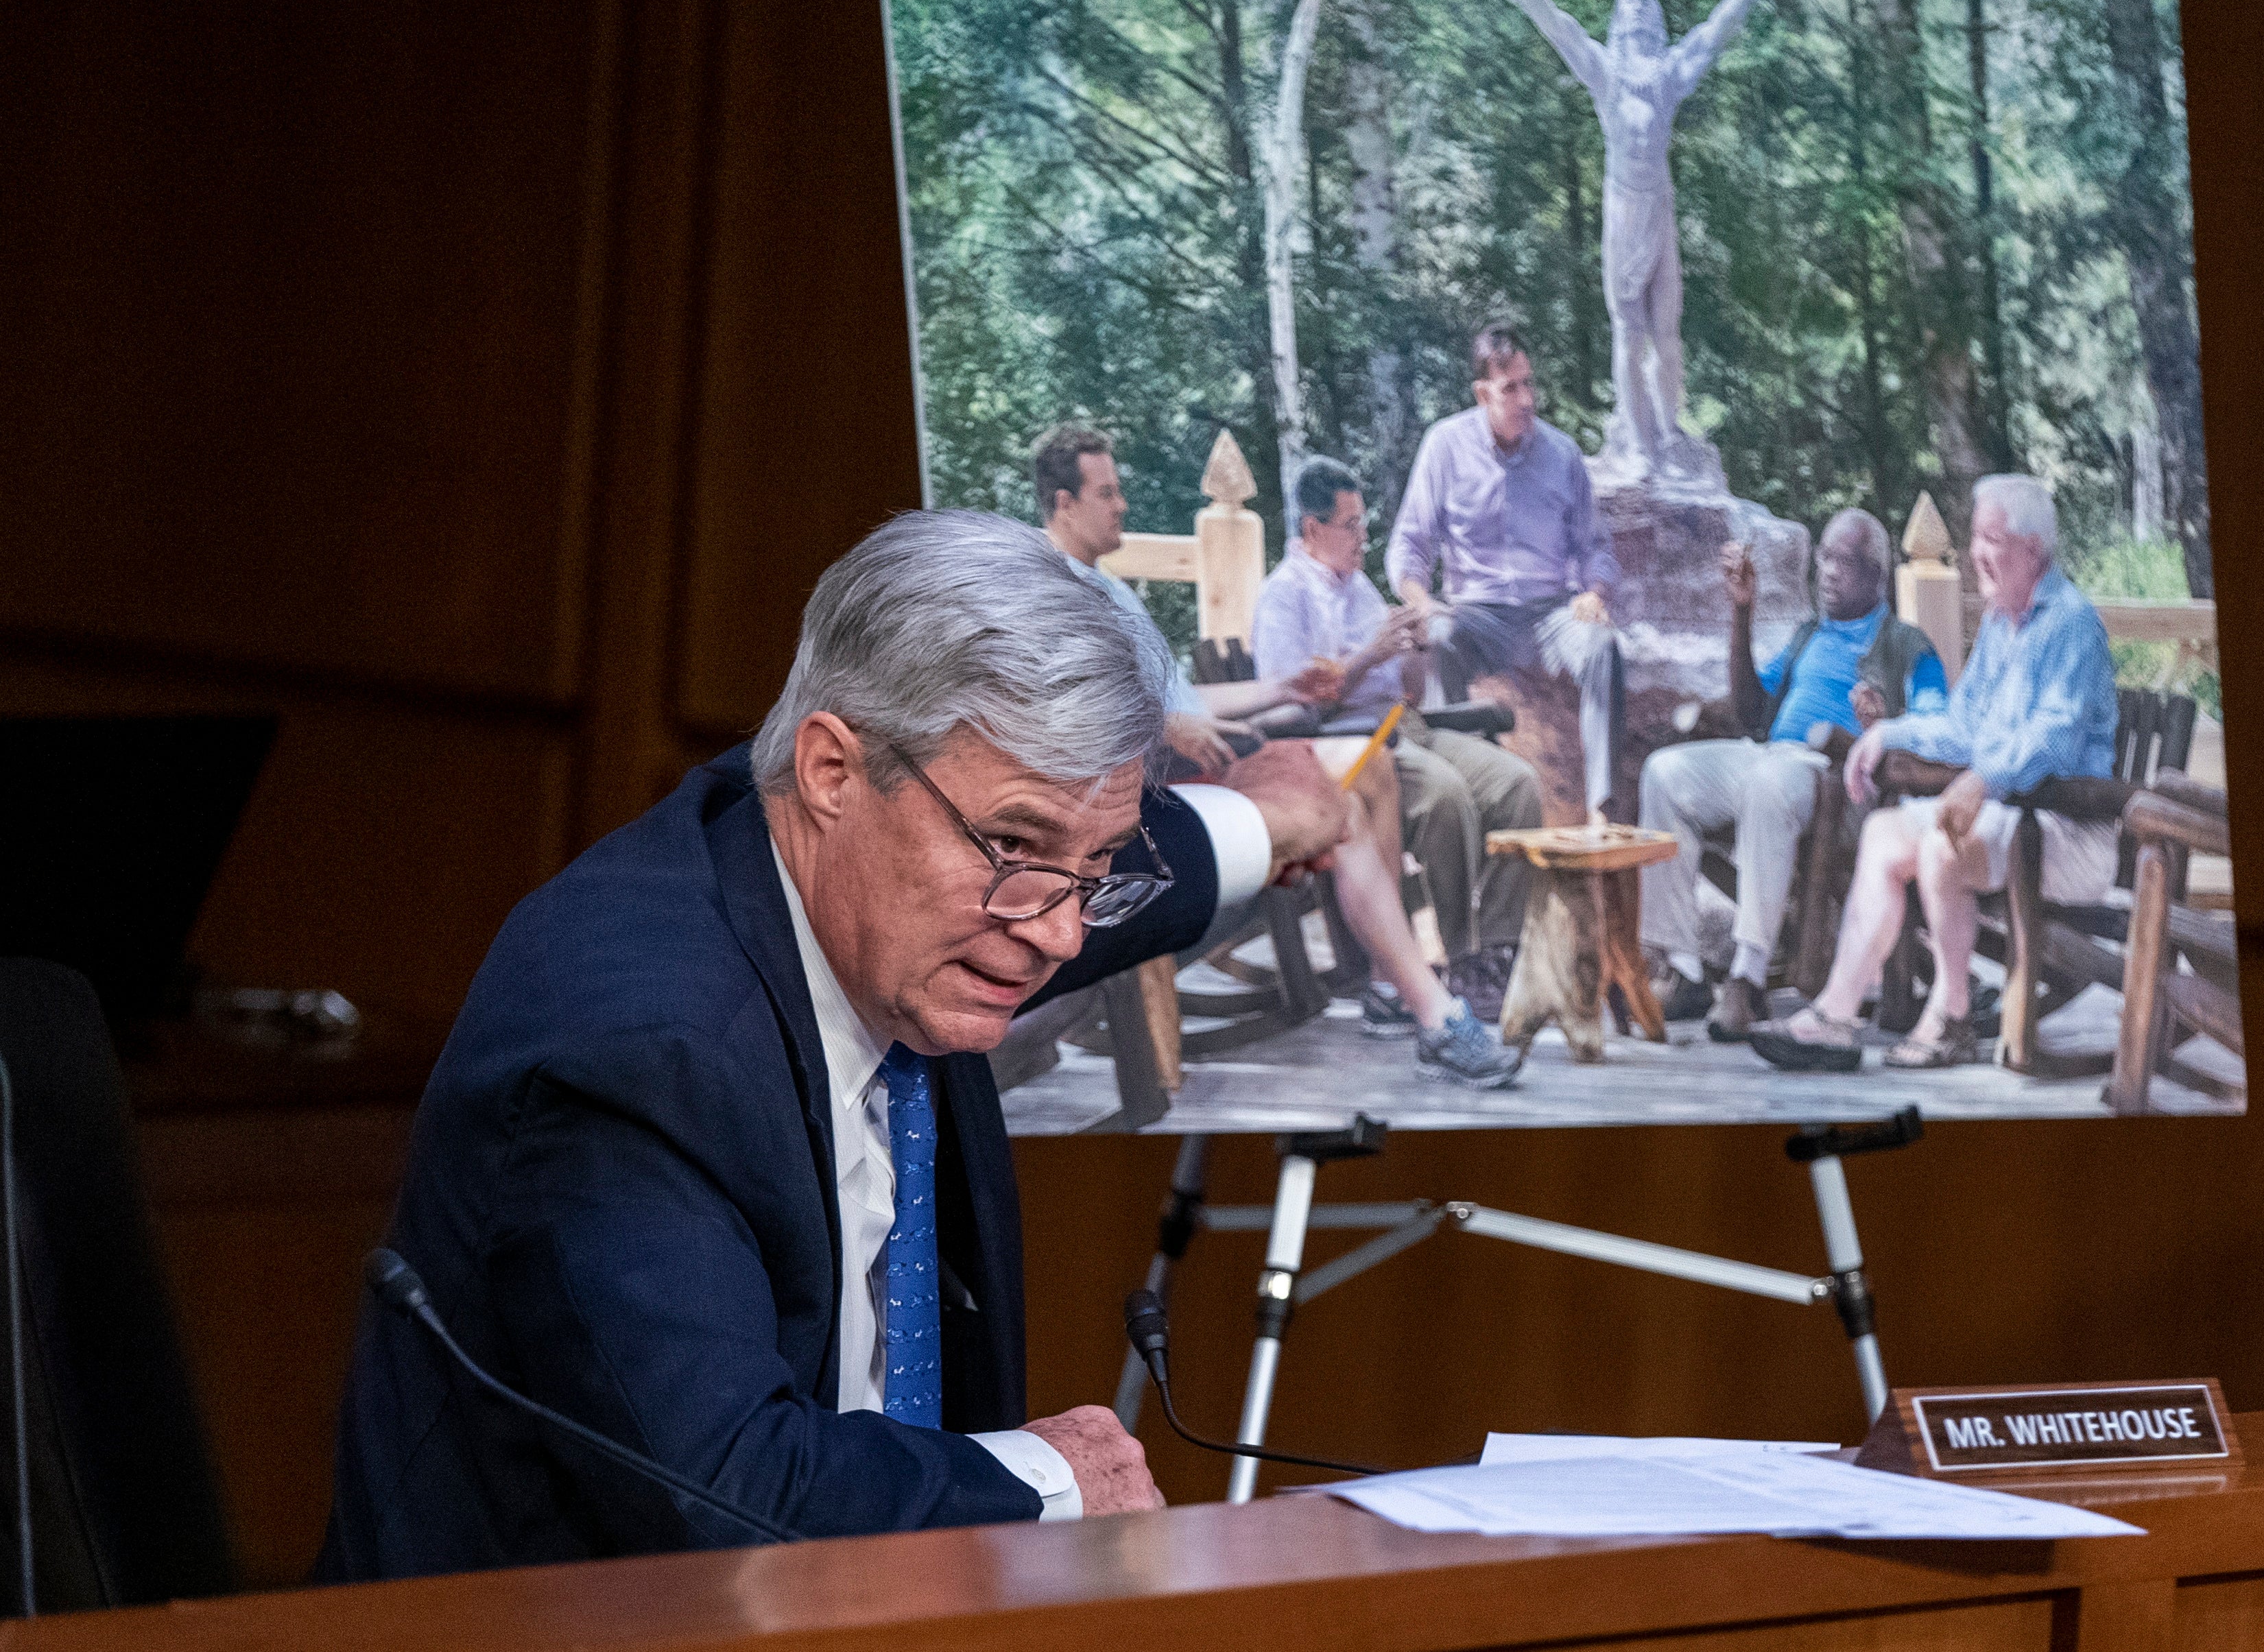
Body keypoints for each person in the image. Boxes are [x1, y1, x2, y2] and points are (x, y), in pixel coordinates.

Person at [318, 510, 1354, 1579]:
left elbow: (1079, 867)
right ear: (829, 768)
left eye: (1095, 865)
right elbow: (724, 1491)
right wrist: (1048, 1478)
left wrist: (1263, 824)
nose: (1058, 928)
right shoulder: (639, 1050)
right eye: (1015, 843)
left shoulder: (884, 885)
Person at [1035, 424, 1518, 1087]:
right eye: (1107, 492)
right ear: (1065, 503)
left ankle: (1401, 989)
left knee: (1362, 776)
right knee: (1343, 802)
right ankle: (1431, 1011)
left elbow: (1188, 697)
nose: (1122, 505)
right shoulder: (1058, 595)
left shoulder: (1109, 588)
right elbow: (1074, 711)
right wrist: (1166, 724)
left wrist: (1278, 686)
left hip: (1219, 754)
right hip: (1177, 787)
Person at [1747, 476, 2119, 1073]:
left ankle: (1949, 1017)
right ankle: (1836, 1017)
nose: (1976, 554)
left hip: (2068, 831)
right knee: (1883, 833)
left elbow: (2052, 739)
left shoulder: (2069, 625)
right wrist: (1884, 735)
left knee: (1942, 842)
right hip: (2014, 819)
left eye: (1991, 540)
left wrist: (1982, 780)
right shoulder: (2002, 625)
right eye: (1974, 538)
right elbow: (1961, 724)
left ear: (2032, 549)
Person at [1254, 455, 1545, 1023]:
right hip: (1349, 744)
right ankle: (1458, 955)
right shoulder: (1284, 595)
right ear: (1313, 529)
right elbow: (1293, 704)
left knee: (1517, 784)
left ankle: (1496, 950)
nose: (1363, 537)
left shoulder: (1360, 588)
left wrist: (1415, 649)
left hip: (1405, 727)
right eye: (1351, 525)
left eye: (1364, 523)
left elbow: (1408, 694)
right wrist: (1369, 656)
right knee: (1444, 797)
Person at [1637, 510, 1946, 1041]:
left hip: (1837, 783)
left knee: (1769, 783)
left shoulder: (1907, 646)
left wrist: (1886, 727)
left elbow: (1937, 726)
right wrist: (1742, 611)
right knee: (1664, 773)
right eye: (1823, 557)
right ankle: (1685, 970)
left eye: (1843, 561)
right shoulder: (1808, 635)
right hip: (1771, 757)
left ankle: (1747, 977)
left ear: (1876, 575)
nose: (1827, 571)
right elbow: (1749, 709)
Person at [1387, 325, 1627, 815]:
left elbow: (1595, 547)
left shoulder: (1562, 455)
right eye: (1509, 388)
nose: (1525, 399)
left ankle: (1603, 803)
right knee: (1438, 634)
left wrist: (1596, 592)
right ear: (1482, 394)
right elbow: (1409, 544)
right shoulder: (1444, 446)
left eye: (1528, 383)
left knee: (1603, 644)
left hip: (1548, 614)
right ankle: (1468, 789)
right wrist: (1421, 600)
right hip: (1476, 613)